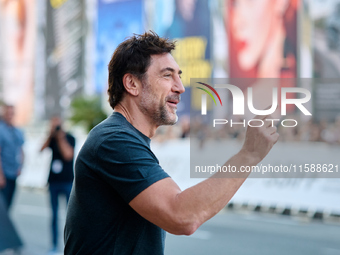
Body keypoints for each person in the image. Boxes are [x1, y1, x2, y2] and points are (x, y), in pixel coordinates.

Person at [64, 31, 279, 255]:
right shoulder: (114, 141)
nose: (180, 87)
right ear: (132, 84)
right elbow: (182, 216)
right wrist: (248, 156)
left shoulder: (123, 138)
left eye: (179, 75)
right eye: (167, 76)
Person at [41, 117, 75, 253]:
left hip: (67, 181)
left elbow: (68, 155)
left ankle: (70, 244)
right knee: (54, 215)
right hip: (53, 182)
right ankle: (54, 245)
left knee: (71, 215)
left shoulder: (69, 138)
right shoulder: (51, 139)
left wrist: (61, 138)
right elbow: (41, 150)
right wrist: (50, 135)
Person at [0, 105, 24, 210]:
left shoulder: (17, 131)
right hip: (3, 173)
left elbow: (21, 150)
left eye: (11, 113)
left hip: (13, 173)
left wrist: (20, 167)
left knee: (8, 205)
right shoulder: (1, 130)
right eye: (7, 113)